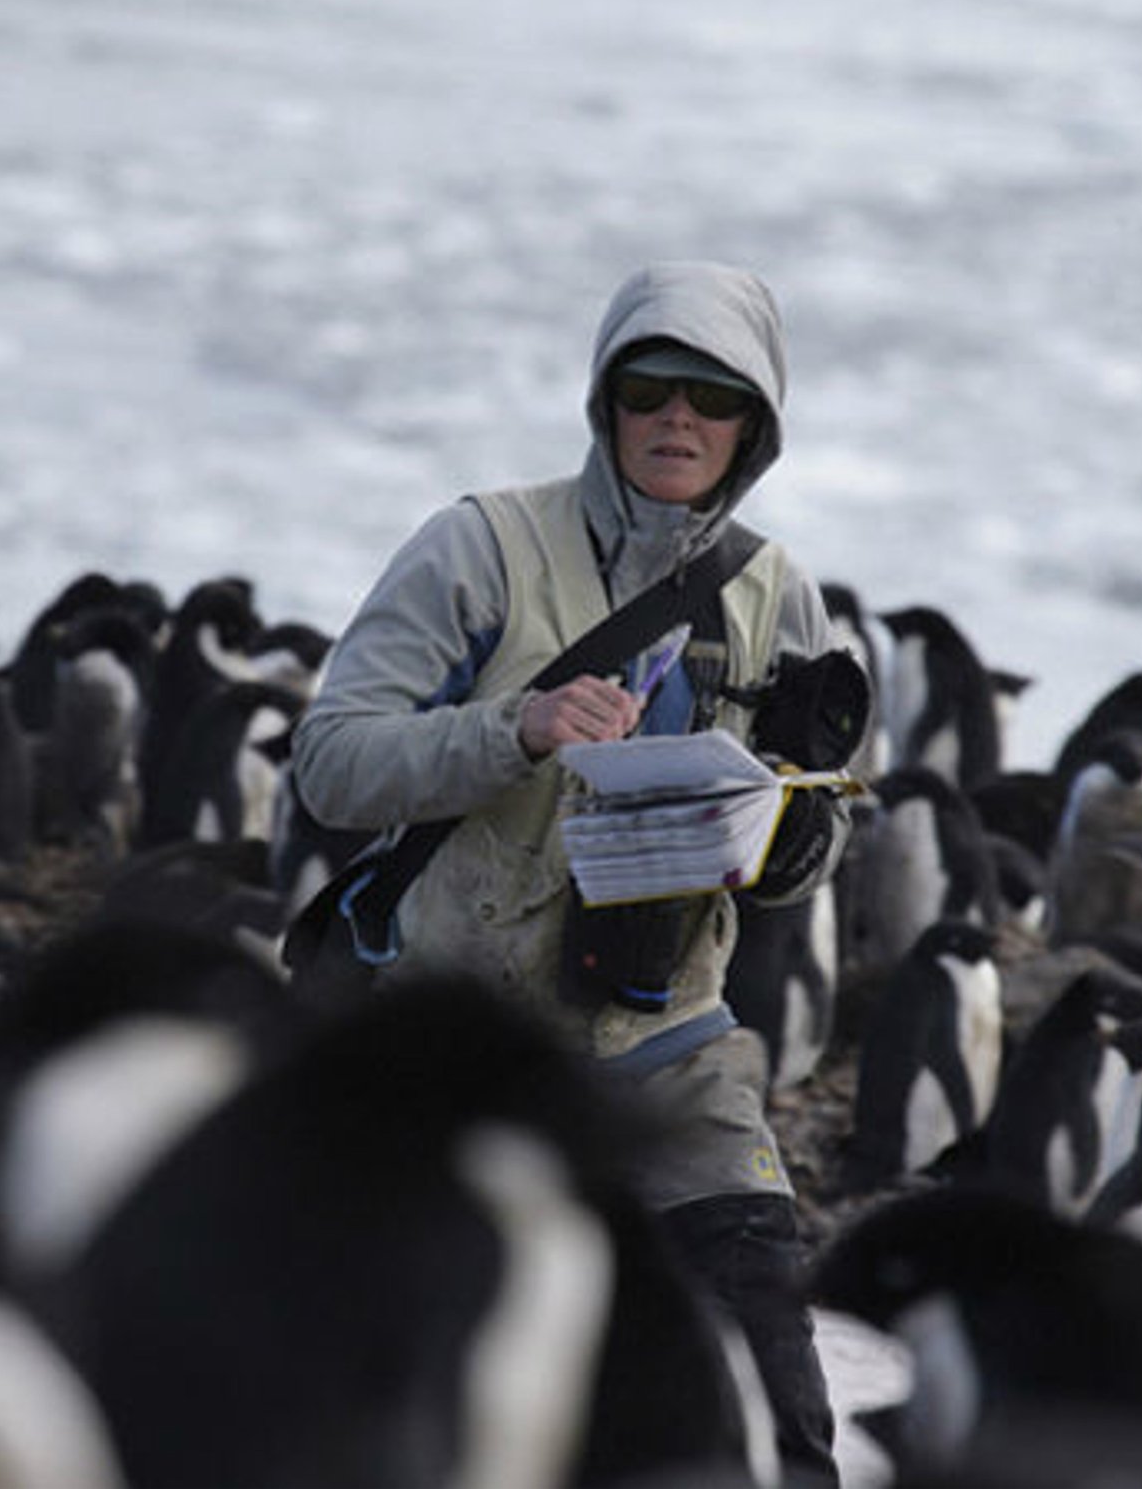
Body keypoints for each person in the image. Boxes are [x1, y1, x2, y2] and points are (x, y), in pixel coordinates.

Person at [290, 259, 864, 1486]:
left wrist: (786, 826)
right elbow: (330, 764)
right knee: (423, 1418)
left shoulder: (778, 595)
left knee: (775, 1405)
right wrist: (516, 729)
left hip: (670, 1050)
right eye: (650, 385)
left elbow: (796, 870)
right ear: (605, 401)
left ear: (753, 426)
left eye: (713, 398)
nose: (677, 418)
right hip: (457, 1046)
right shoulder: (481, 547)